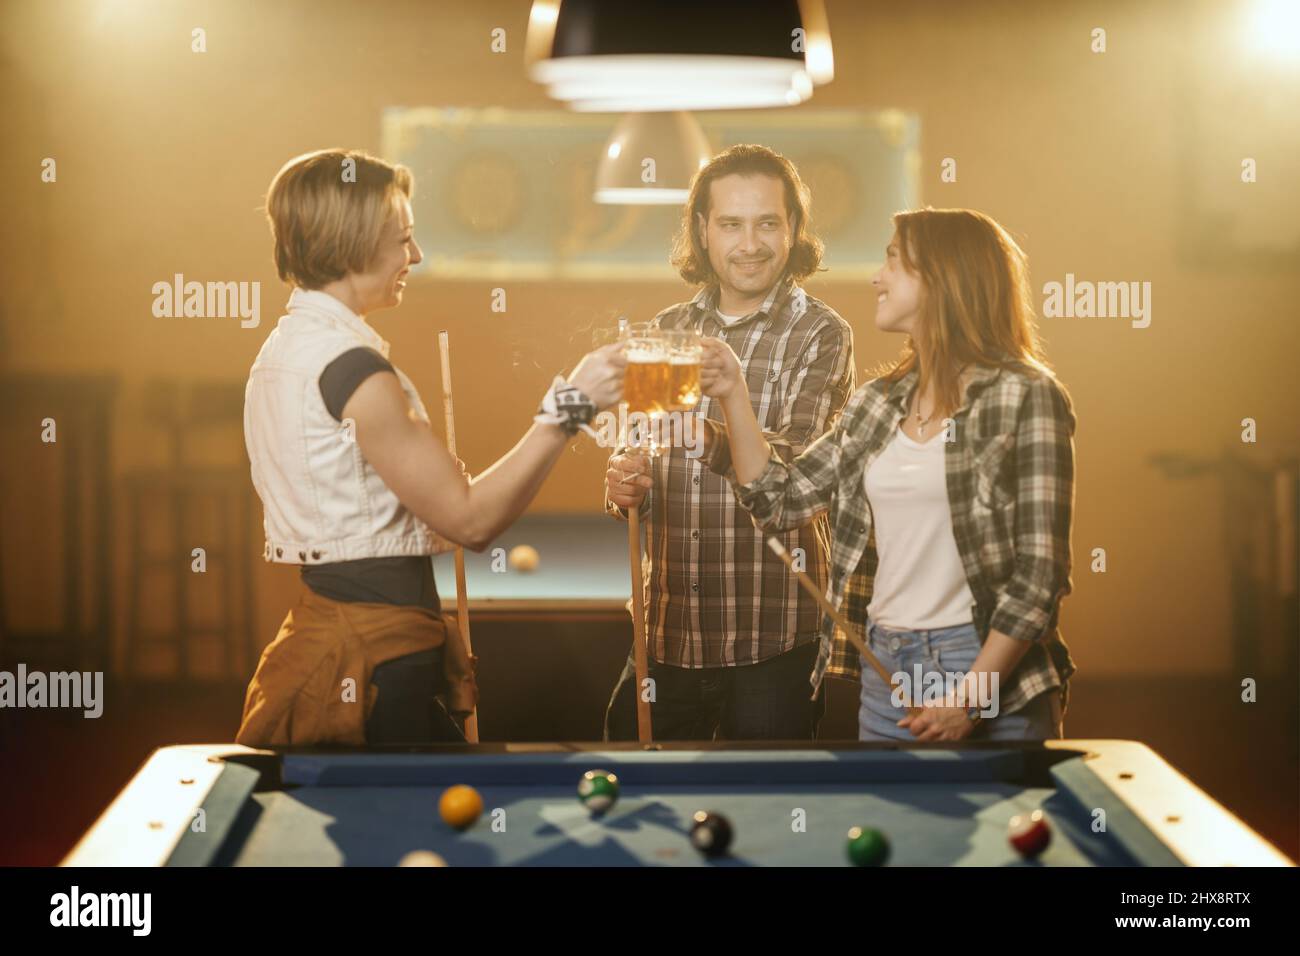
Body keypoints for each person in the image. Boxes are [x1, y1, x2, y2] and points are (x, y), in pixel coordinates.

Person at [237, 148, 624, 746]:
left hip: (345, 631)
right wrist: (571, 407)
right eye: (403, 240)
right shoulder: (352, 369)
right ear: (354, 242)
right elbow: (471, 520)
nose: (414, 256)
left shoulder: (283, 351)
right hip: (377, 657)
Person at [699, 207, 1077, 742]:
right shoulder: (876, 405)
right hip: (887, 668)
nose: (877, 277)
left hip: (984, 666)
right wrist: (733, 392)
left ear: (944, 278)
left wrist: (970, 702)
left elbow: (1041, 576)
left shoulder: (1026, 396)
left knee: (1001, 829)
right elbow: (778, 500)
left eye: (893, 262)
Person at [603, 145, 855, 741]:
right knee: (635, 798)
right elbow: (642, 460)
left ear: (793, 229)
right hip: (667, 634)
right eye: (731, 224)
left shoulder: (822, 334)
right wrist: (625, 482)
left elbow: (796, 473)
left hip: (772, 641)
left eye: (768, 222)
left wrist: (707, 433)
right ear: (702, 231)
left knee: (769, 822)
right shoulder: (668, 330)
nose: (751, 243)